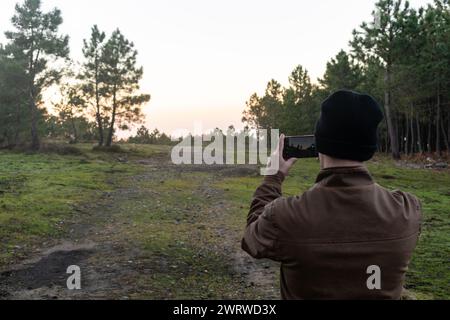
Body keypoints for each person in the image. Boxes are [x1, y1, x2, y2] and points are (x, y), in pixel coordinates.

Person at [242, 90, 422, 300]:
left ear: (319, 144)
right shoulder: (408, 209)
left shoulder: (285, 215)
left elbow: (251, 239)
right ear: (369, 148)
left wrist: (273, 178)